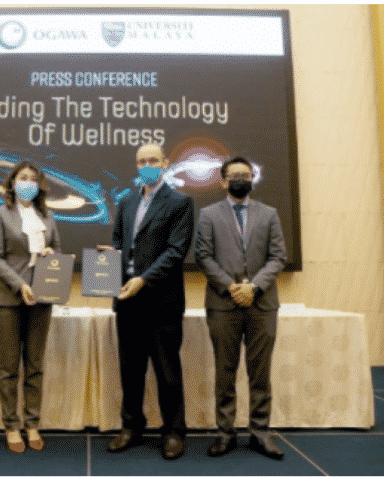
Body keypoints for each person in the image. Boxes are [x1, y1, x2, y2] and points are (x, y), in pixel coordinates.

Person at [98, 142, 195, 460]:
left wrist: (144, 279)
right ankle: (131, 428)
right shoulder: (126, 202)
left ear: (165, 163)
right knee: (131, 370)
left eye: (153, 160)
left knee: (167, 371)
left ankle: (174, 432)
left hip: (161, 301)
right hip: (128, 299)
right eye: (141, 161)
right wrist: (112, 256)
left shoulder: (180, 202)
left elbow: (176, 251)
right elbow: (119, 240)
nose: (147, 166)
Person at [194, 156, 287, 460]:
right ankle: (225, 433)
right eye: (234, 175)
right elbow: (203, 256)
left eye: (245, 175)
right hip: (223, 304)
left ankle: (260, 433)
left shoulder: (269, 214)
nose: (240, 180)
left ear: (252, 180)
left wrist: (254, 287)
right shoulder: (208, 215)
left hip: (262, 304)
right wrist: (232, 287)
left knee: (260, 374)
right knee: (225, 372)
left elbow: (278, 257)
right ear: (223, 181)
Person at [0, 161, 61, 454]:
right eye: (23, 178)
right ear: (13, 183)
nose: (28, 183)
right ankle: (11, 425)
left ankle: (32, 423)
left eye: (33, 179)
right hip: (8, 299)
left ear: (39, 186)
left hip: (41, 300)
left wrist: (52, 254)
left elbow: (57, 251)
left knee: (34, 366)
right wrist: (20, 285)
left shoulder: (48, 216)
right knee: (8, 368)